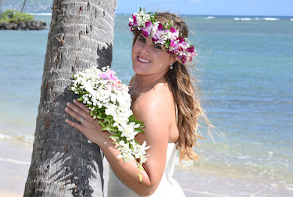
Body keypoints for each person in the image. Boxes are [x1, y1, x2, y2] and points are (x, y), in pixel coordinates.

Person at [65, 10, 207, 196]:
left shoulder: (151, 103)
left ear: (173, 57)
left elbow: (148, 184)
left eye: (157, 46)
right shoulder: (137, 84)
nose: (144, 50)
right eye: (142, 39)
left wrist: (102, 137)